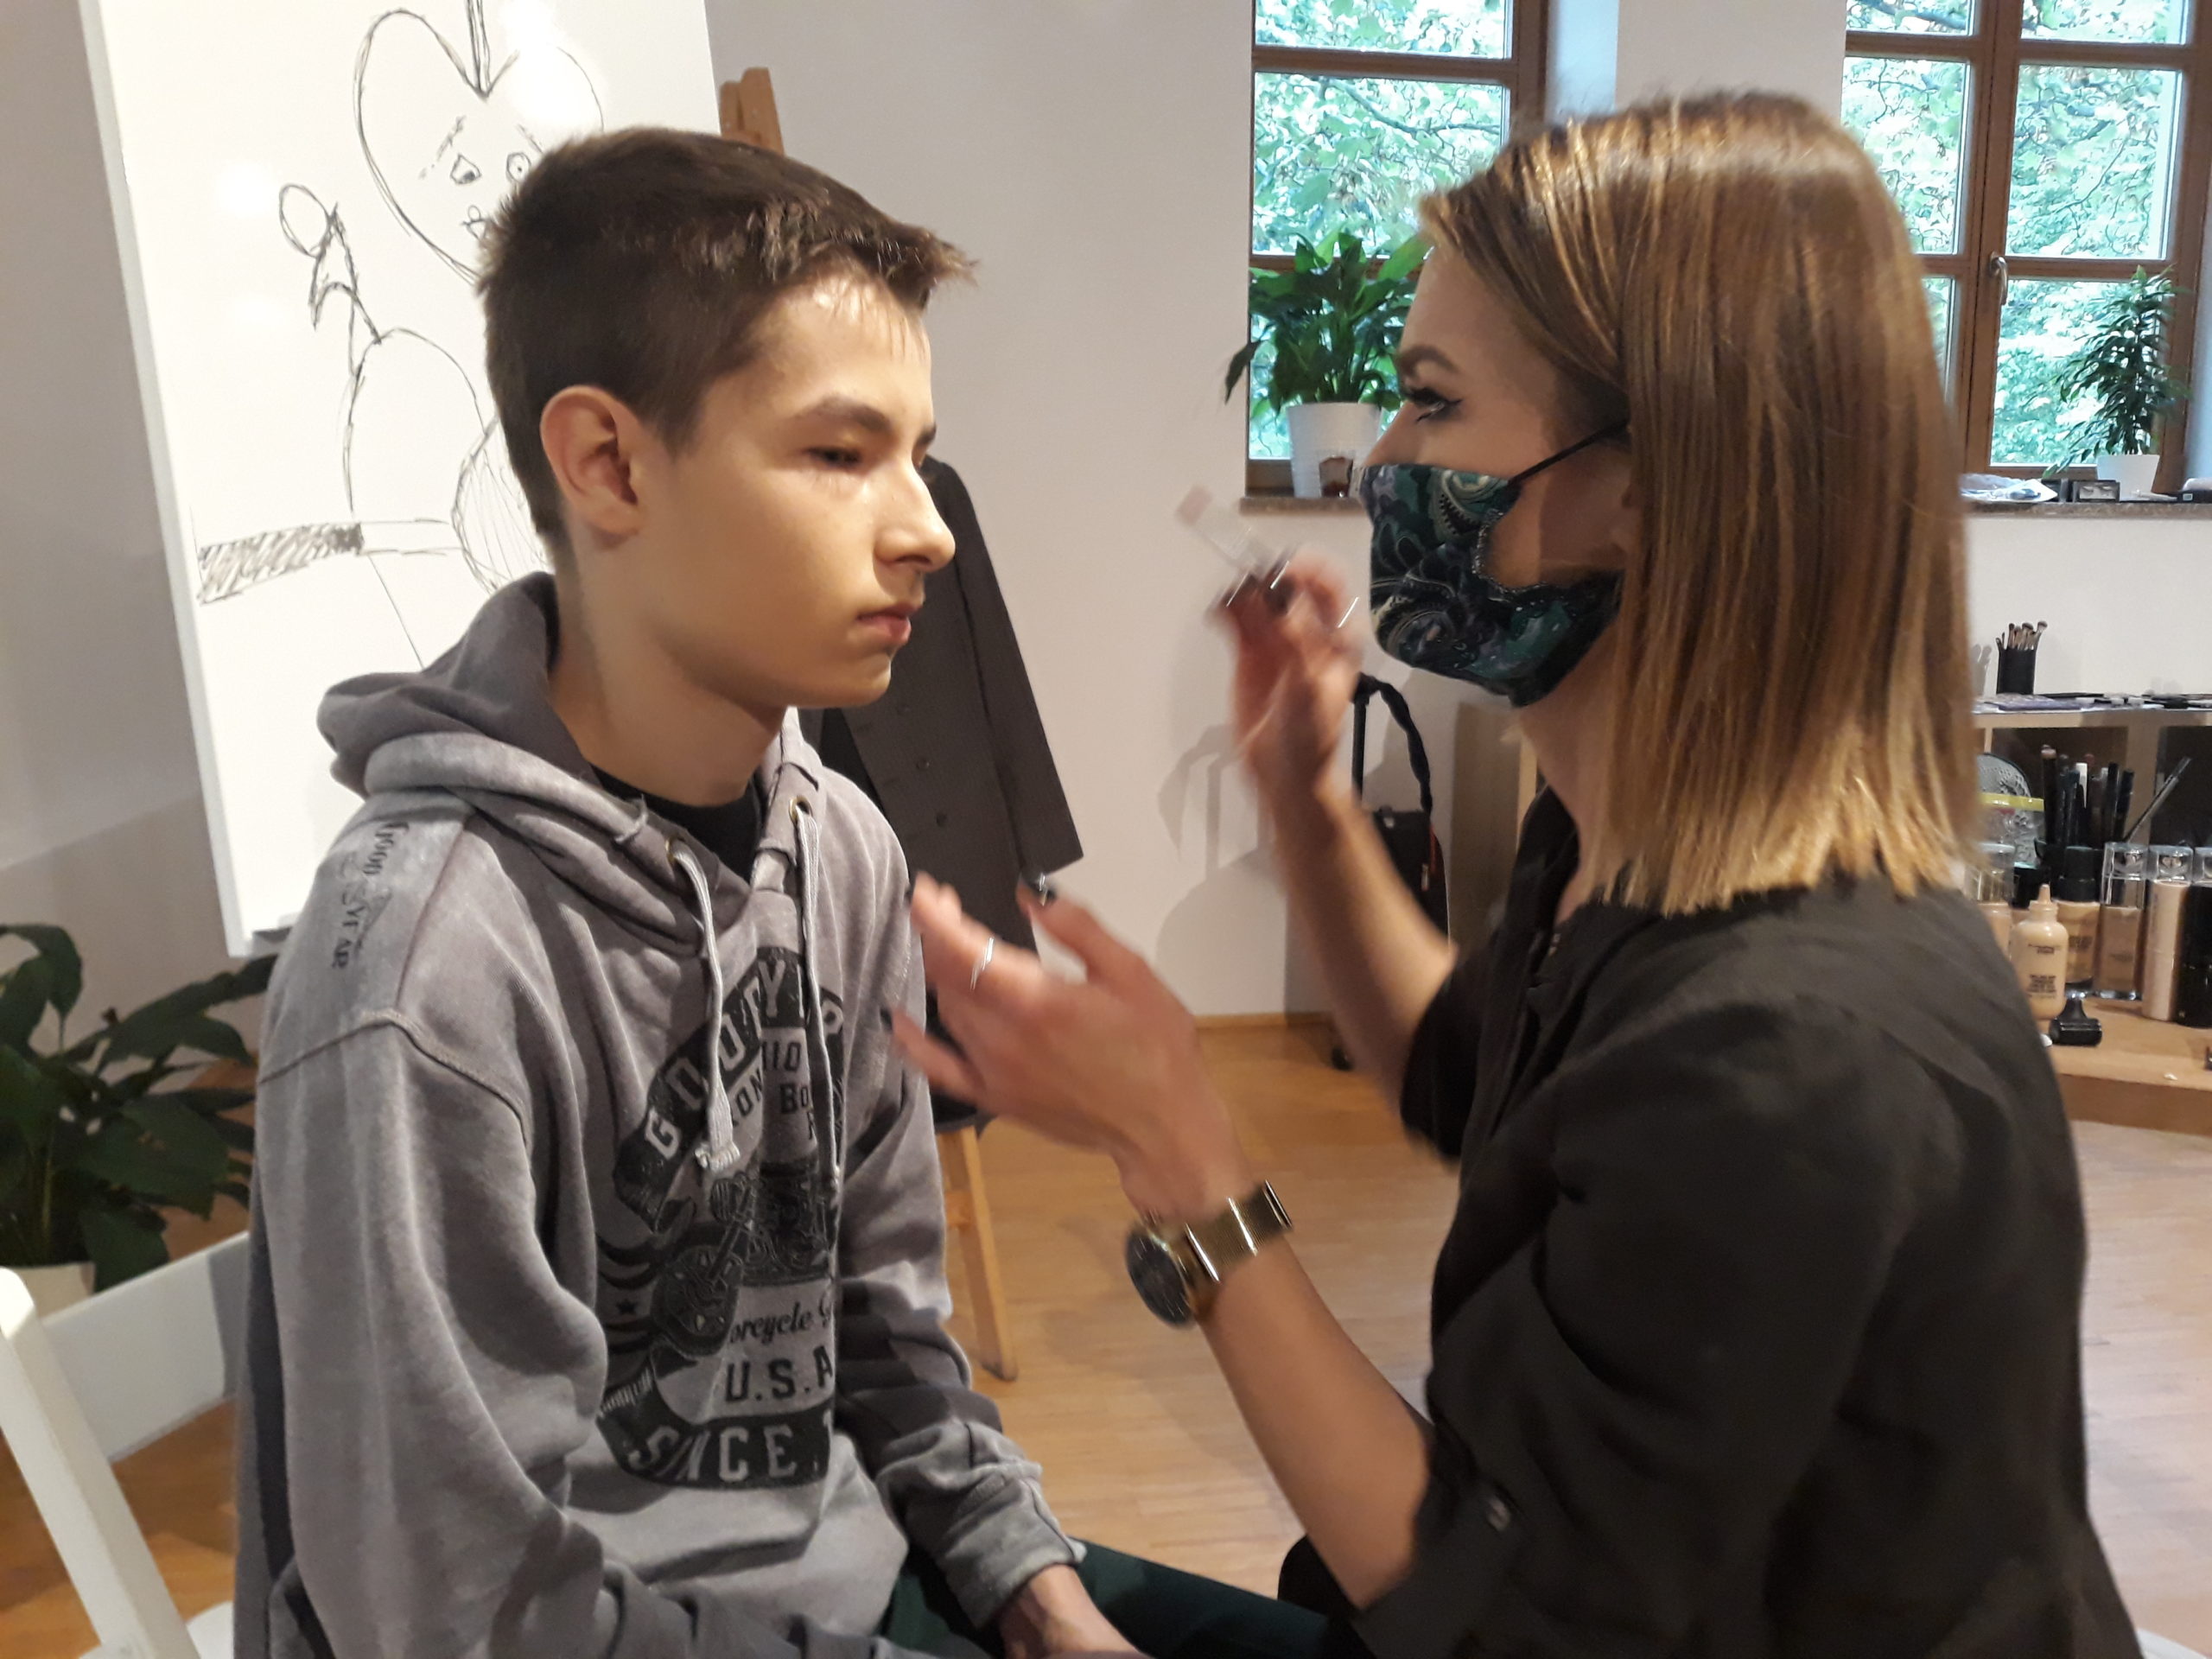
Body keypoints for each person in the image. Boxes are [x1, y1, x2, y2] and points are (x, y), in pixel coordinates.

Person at [898, 94, 2141, 1657]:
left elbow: (1498, 1607)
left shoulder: (1798, 1049)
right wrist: (1303, 797)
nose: (1382, 463)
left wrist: (1180, 1156)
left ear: (1646, 488)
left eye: (1432, 405)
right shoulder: (1617, 848)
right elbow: (1460, 1069)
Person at [232, 130, 1325, 1659]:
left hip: (841, 1580)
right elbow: (452, 1610)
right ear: (608, 464)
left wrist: (1042, 1601)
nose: (929, 527)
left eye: (918, 453)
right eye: (839, 454)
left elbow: (887, 1336)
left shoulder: (844, 853)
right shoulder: (429, 967)